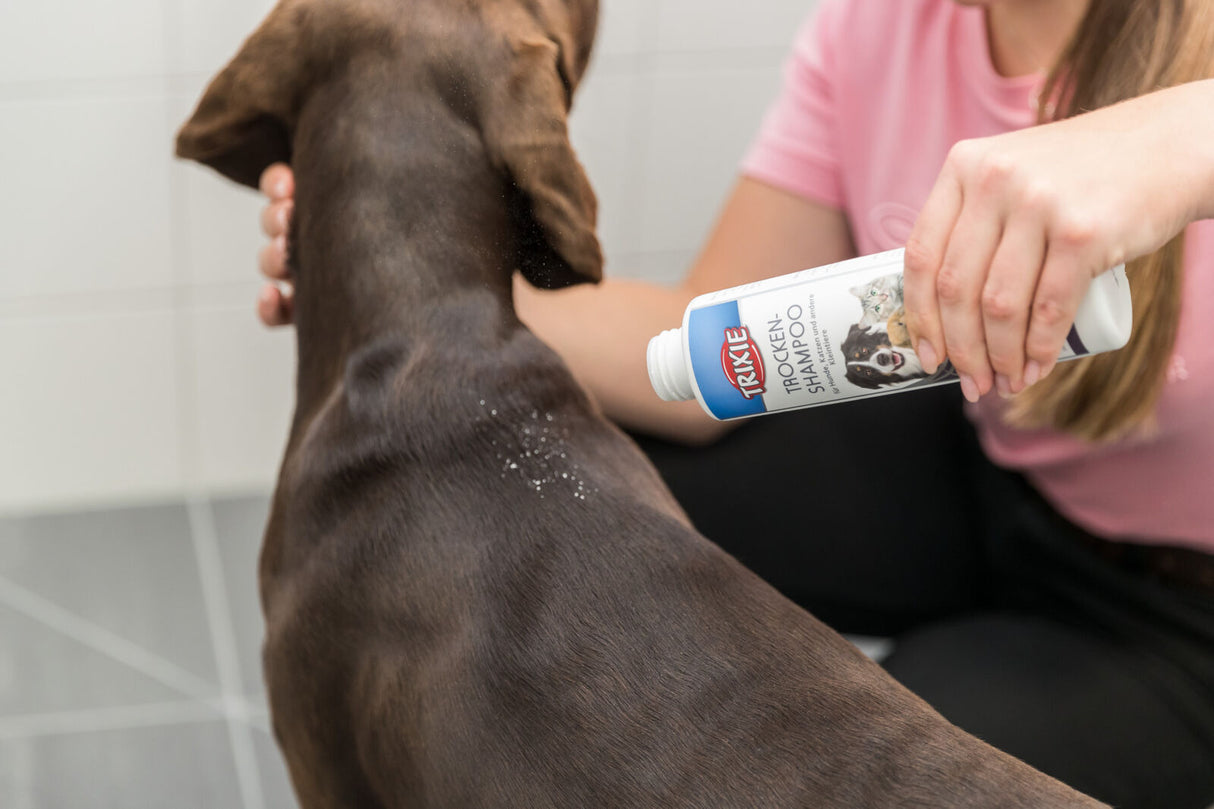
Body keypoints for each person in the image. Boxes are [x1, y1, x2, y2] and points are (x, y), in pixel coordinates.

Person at [254, 1, 1214, 806]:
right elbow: (703, 351)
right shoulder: (879, 27)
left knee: (877, 776)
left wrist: (1178, 142)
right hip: (985, 476)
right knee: (585, 485)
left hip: (1183, 623)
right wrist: (400, 257)